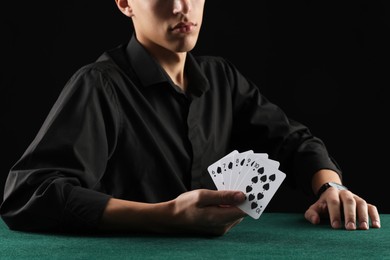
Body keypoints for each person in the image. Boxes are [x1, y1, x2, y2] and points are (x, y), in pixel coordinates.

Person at [0, 0, 380, 235]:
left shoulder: (222, 78)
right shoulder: (99, 85)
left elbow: (294, 142)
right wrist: (162, 216)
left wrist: (331, 189)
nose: (183, 7)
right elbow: (29, 195)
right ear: (124, 2)